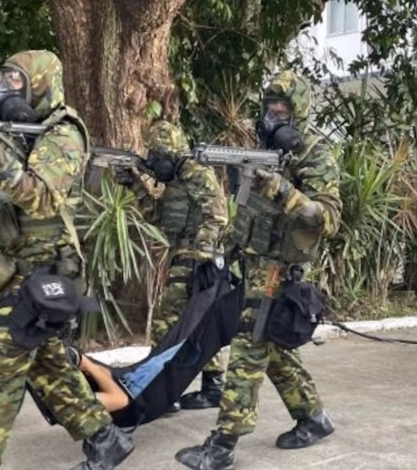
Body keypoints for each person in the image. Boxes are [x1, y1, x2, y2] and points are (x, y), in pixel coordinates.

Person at [0, 50, 132, 470]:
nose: (4, 89)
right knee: (47, 366)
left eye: (16, 82)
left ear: (41, 86)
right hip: (15, 270)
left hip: (45, 272)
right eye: (3, 80)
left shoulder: (64, 134)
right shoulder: (19, 132)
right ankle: (105, 439)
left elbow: (41, 197)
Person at [174, 70, 341, 470]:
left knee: (249, 348)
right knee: (275, 349)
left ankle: (223, 444)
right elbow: (252, 211)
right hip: (254, 262)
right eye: (268, 110)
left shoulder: (314, 154)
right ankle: (313, 417)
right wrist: (232, 247)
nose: (271, 119)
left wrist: (282, 191)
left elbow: (328, 219)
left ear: (298, 111)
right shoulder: (265, 151)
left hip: (278, 269)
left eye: (281, 111)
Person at [115, 120, 229, 412]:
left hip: (195, 261)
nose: (154, 161)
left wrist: (203, 255)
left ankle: (161, 392)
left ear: (173, 152)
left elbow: (218, 216)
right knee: (199, 324)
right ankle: (213, 386)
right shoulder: (176, 180)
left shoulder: (197, 173)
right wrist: (135, 185)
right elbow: (159, 218)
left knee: (166, 323)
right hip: (183, 256)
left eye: (158, 154)